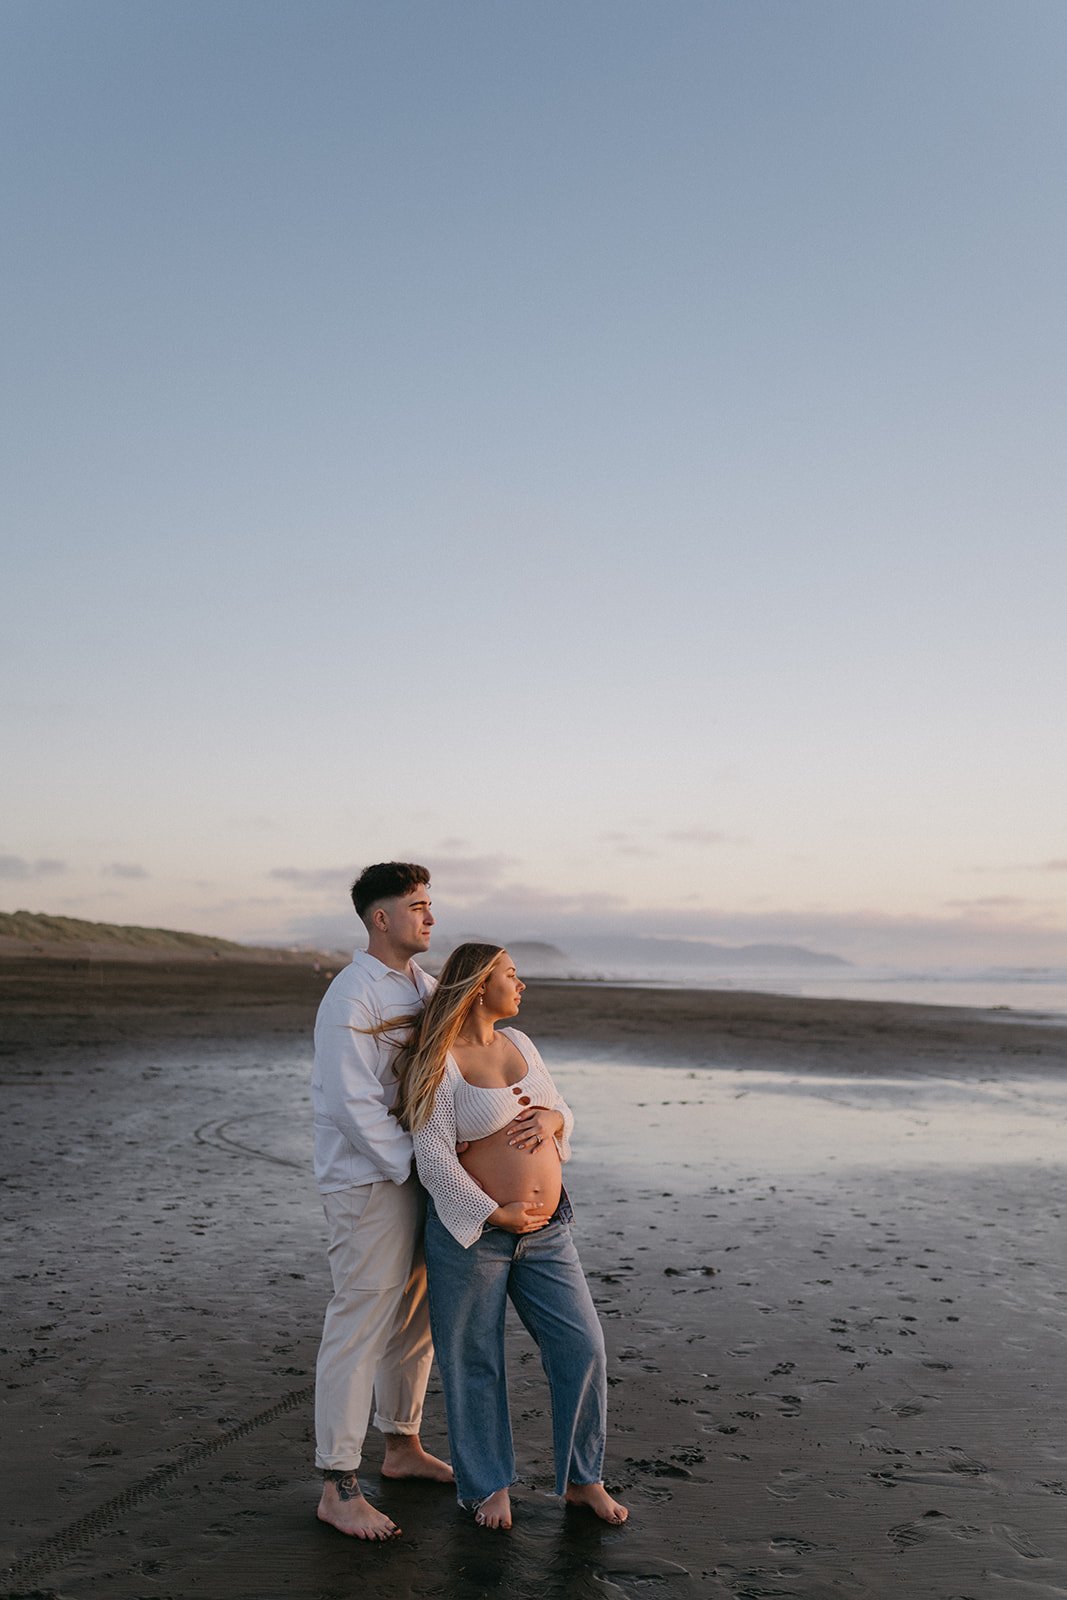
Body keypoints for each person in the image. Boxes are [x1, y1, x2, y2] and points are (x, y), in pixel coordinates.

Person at [389, 941, 629, 1530]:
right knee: (475, 1360)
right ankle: (485, 1484)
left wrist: (553, 1120)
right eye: (511, 976)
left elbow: (560, 1110)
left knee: (583, 1346)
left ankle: (582, 1479)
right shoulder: (440, 1059)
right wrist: (493, 1214)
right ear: (477, 987)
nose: (522, 986)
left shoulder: (521, 1043)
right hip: (475, 1238)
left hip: (550, 1233)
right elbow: (434, 1159)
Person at [311, 861, 452, 1540]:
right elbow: (350, 1103)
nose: (430, 918)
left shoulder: (422, 985)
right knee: (359, 1324)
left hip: (416, 1176)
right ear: (381, 918)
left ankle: (400, 1448)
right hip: (369, 1181)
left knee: (416, 1318)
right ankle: (339, 1486)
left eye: (430, 905)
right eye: (418, 906)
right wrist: (410, 1168)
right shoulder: (351, 994)